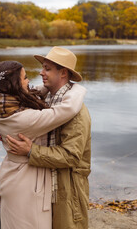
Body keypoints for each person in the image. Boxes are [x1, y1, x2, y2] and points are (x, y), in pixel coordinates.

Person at [0, 60, 86, 229]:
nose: (30, 81)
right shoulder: (23, 118)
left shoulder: (1, 101)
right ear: (14, 85)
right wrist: (78, 88)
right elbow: (67, 110)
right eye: (25, 78)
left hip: (12, 175)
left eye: (47, 69)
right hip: (25, 182)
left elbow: (33, 92)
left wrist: (52, 86)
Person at [7, 47, 92, 229]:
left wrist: (31, 151)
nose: (41, 72)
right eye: (43, 67)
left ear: (63, 73)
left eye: (47, 68)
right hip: (48, 186)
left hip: (68, 190)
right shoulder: (47, 100)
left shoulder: (76, 112)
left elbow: (71, 156)